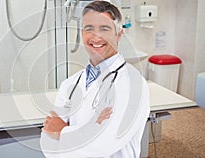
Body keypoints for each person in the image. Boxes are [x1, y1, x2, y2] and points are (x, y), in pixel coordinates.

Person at [40, 1, 149, 157]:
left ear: (118, 34)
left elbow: (105, 142)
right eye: (89, 29)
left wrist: (62, 131)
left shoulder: (133, 84)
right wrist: (87, 131)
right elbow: (48, 141)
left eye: (104, 29)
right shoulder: (69, 84)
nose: (96, 37)